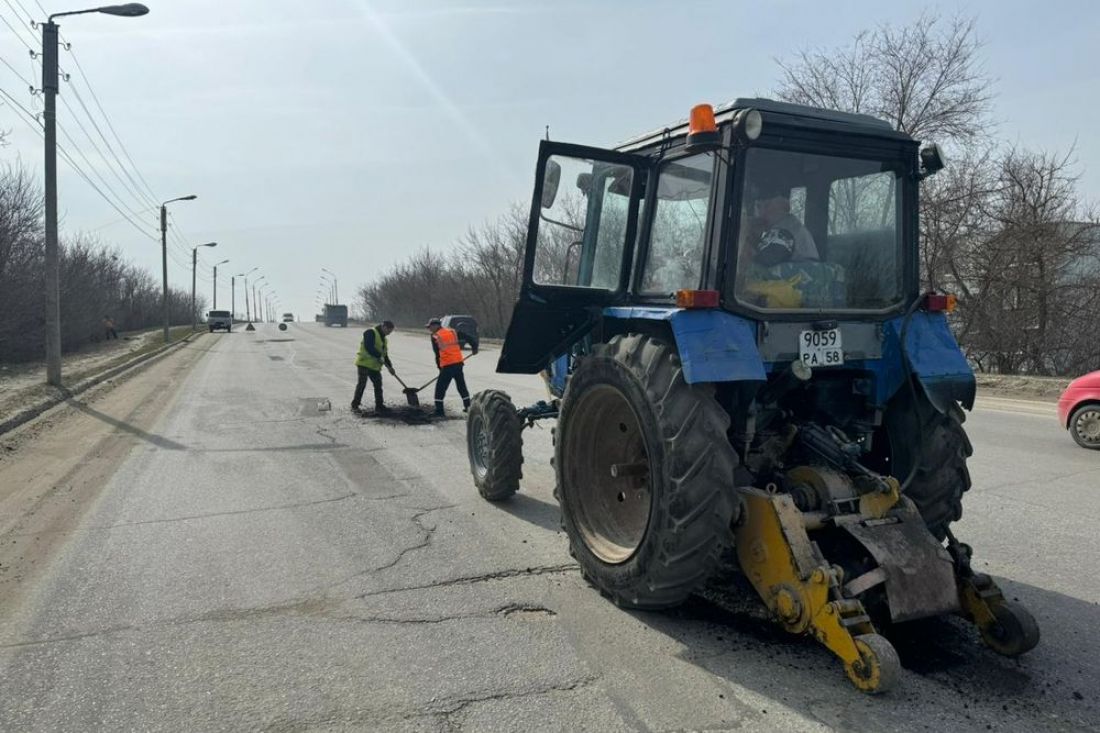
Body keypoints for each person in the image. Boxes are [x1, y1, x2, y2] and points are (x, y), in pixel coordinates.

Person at [742, 184, 819, 266]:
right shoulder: (791, 226)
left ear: (785, 206)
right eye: (758, 207)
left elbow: (761, 266)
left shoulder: (784, 231)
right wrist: (755, 238)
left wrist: (746, 239)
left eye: (767, 205)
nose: (761, 213)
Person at [426, 317, 470, 417]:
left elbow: (437, 355)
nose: (429, 329)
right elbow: (467, 336)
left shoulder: (435, 336)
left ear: (436, 326)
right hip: (458, 364)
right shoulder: (452, 332)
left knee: (440, 388)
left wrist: (439, 367)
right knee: (461, 385)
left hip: (448, 365)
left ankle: (439, 411)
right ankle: (468, 406)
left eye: (430, 327)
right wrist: (474, 346)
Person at [352, 320, 396, 413]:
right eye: (388, 331)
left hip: (374, 366)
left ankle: (379, 406)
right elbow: (369, 347)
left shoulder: (384, 339)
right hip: (364, 364)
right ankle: (355, 405)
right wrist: (378, 356)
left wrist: (390, 367)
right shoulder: (370, 332)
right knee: (362, 385)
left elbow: (385, 355)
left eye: (390, 332)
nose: (388, 334)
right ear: (383, 326)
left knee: (378, 385)